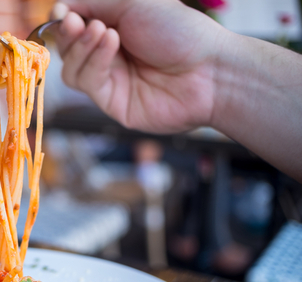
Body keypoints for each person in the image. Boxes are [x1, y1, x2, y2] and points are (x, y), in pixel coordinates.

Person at [51, 0, 302, 183]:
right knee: (199, 165)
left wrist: (214, 72)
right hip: (108, 147)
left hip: (121, 142)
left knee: (201, 165)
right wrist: (213, 77)